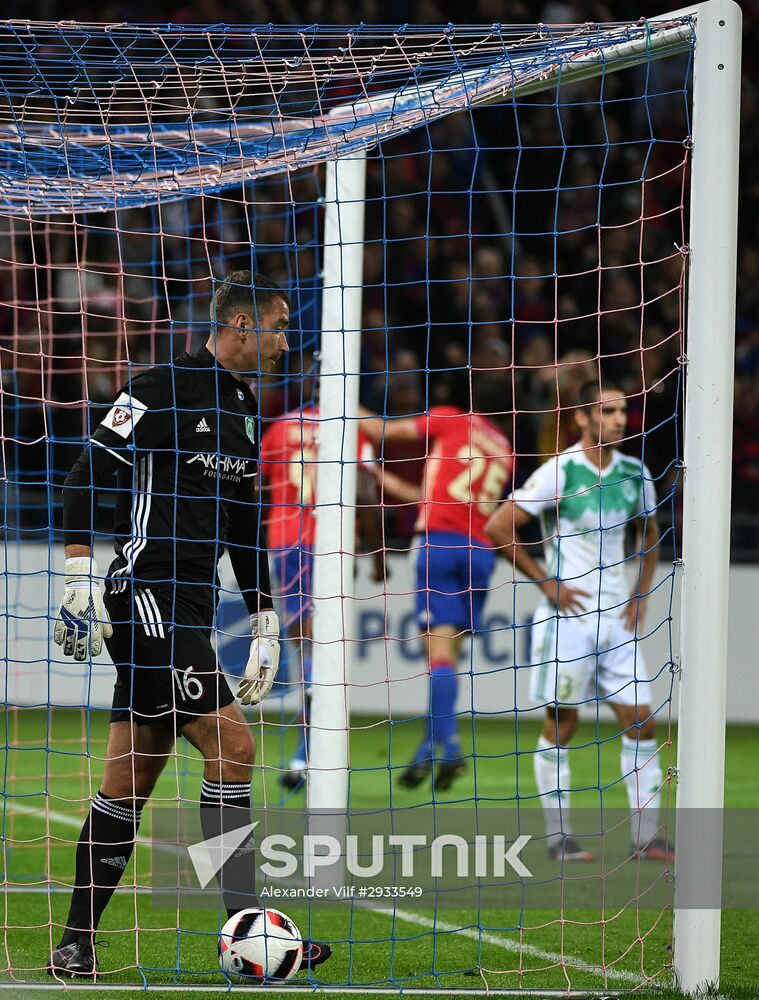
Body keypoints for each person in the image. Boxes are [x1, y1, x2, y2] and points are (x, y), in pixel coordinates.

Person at [49, 270, 332, 977]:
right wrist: (80, 570)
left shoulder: (243, 406)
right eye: (277, 325)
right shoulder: (156, 386)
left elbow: (242, 520)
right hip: (146, 595)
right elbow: (91, 469)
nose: (285, 341)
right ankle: (250, 931)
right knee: (233, 747)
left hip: (193, 612)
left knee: (130, 780)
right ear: (241, 326)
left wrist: (263, 613)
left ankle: (75, 944)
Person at [485, 381, 672, 862]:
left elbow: (649, 532)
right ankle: (558, 835)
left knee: (641, 722)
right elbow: (498, 527)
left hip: (618, 624)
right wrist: (547, 584)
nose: (618, 420)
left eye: (623, 410)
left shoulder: (635, 473)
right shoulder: (561, 471)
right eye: (608, 411)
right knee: (563, 722)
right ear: (584, 419)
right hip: (567, 620)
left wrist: (640, 593)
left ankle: (646, 837)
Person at [360, 373, 513, 791]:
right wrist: (380, 478)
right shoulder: (504, 449)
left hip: (440, 546)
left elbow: (381, 430)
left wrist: (339, 402)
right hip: (480, 552)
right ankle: (434, 748)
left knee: (438, 660)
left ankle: (446, 746)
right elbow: (444, 496)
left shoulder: (450, 419)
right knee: (447, 659)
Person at [259, 357, 384, 791]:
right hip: (330, 544)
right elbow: (367, 490)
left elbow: (258, 488)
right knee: (320, 647)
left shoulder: (280, 427)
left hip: (287, 543)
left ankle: (307, 752)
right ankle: (312, 751)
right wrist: (376, 551)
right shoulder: (351, 428)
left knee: (306, 646)